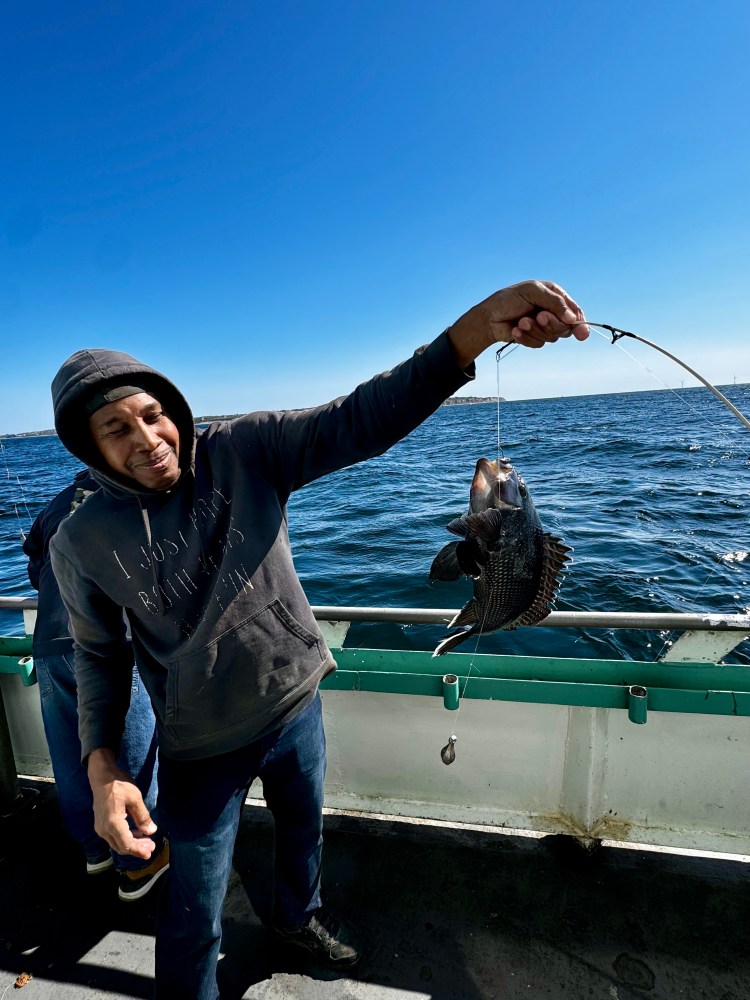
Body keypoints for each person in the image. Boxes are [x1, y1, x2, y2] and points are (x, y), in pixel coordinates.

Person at [48, 279, 588, 999]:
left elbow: (361, 417)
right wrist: (103, 766)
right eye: (117, 429)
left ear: (173, 409)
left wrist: (477, 331)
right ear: (87, 444)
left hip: (297, 706)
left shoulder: (245, 450)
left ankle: (297, 921)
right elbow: (98, 654)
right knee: (192, 914)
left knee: (305, 837)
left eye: (152, 415)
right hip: (198, 745)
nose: (148, 439)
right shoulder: (80, 538)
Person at [23, 469, 169, 901]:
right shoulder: (135, 497)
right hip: (109, 642)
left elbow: (35, 564)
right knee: (130, 755)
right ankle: (139, 861)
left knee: (73, 752)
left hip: (51, 642)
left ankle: (94, 850)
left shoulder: (58, 500)